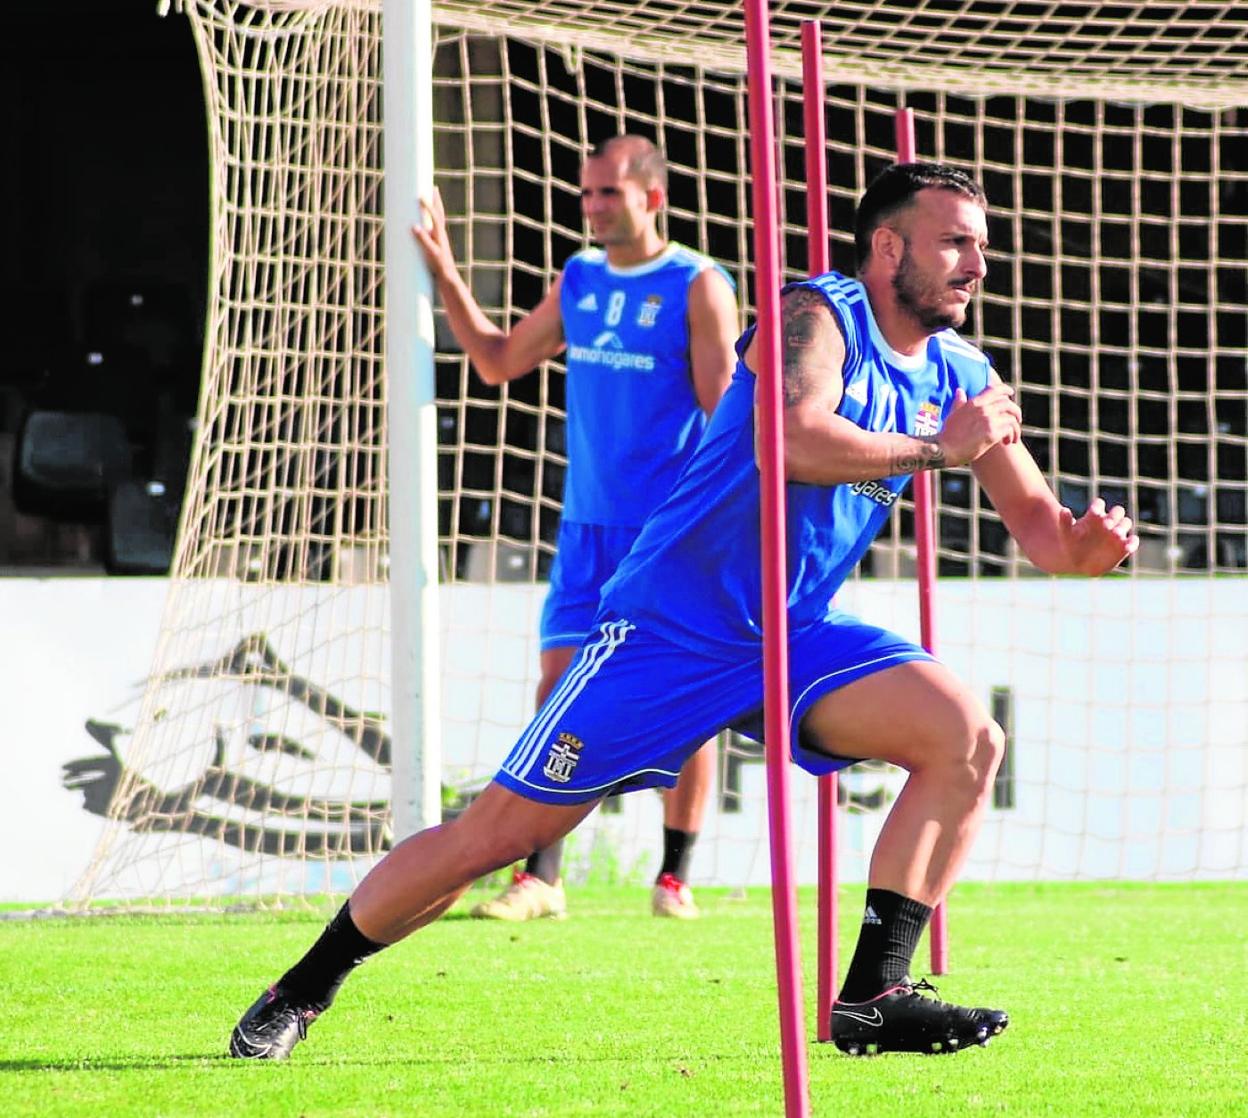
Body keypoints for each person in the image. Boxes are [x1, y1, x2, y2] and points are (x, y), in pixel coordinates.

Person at [229, 162, 1138, 1061]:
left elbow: (1043, 533)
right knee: (502, 835)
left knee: (968, 739)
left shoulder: (963, 371)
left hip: (791, 630)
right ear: (888, 246)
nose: (976, 264)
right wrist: (943, 447)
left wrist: (1084, 551)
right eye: (955, 243)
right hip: (667, 629)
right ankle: (302, 988)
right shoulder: (815, 315)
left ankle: (873, 997)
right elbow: (792, 439)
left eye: (981, 246)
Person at [412, 135, 740, 921]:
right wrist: (448, 275)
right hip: (585, 531)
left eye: (608, 195)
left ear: (651, 199)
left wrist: (719, 529)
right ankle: (542, 877)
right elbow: (496, 362)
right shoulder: (580, 280)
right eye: (587, 194)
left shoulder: (697, 286)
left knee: (683, 703)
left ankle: (673, 877)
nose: (592, 207)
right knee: (558, 691)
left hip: (665, 536)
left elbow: (728, 417)